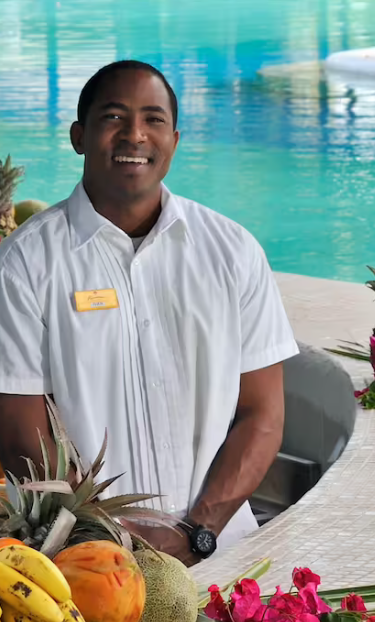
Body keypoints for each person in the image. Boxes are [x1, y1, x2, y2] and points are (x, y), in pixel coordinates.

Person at [0, 60, 299, 566]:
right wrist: (112, 540)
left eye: (153, 119)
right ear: (79, 136)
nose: (134, 135)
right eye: (114, 117)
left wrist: (197, 530)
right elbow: (18, 432)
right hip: (86, 563)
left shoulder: (232, 251)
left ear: (175, 140)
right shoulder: (25, 263)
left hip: (225, 548)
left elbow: (264, 415)